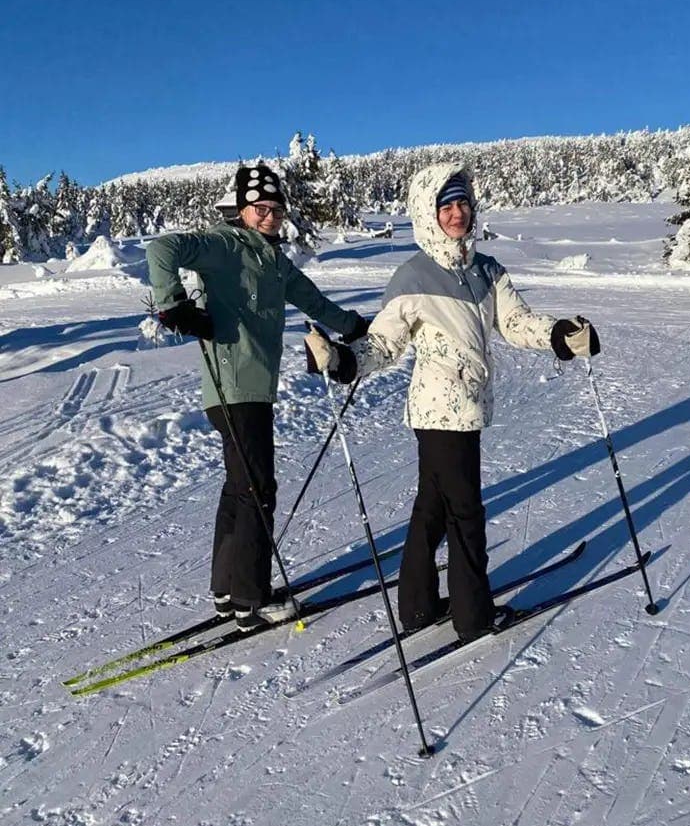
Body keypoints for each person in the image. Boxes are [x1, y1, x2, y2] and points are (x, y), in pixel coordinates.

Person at [304, 162, 598, 643]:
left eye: (463, 203)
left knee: (434, 508)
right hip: (439, 412)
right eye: (446, 205)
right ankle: (473, 615)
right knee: (466, 513)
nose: (457, 213)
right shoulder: (413, 276)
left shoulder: (485, 270)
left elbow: (517, 322)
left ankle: (418, 606)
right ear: (428, 213)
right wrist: (340, 360)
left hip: (469, 407)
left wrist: (560, 335)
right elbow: (382, 345)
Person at [146, 164, 368, 630]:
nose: (269, 216)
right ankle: (252, 599)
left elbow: (315, 302)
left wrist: (354, 327)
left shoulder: (275, 262)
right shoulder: (225, 246)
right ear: (242, 211)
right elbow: (162, 247)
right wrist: (173, 305)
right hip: (232, 387)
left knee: (240, 486)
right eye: (259, 209)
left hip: (254, 388)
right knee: (257, 489)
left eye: (276, 209)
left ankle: (226, 590)